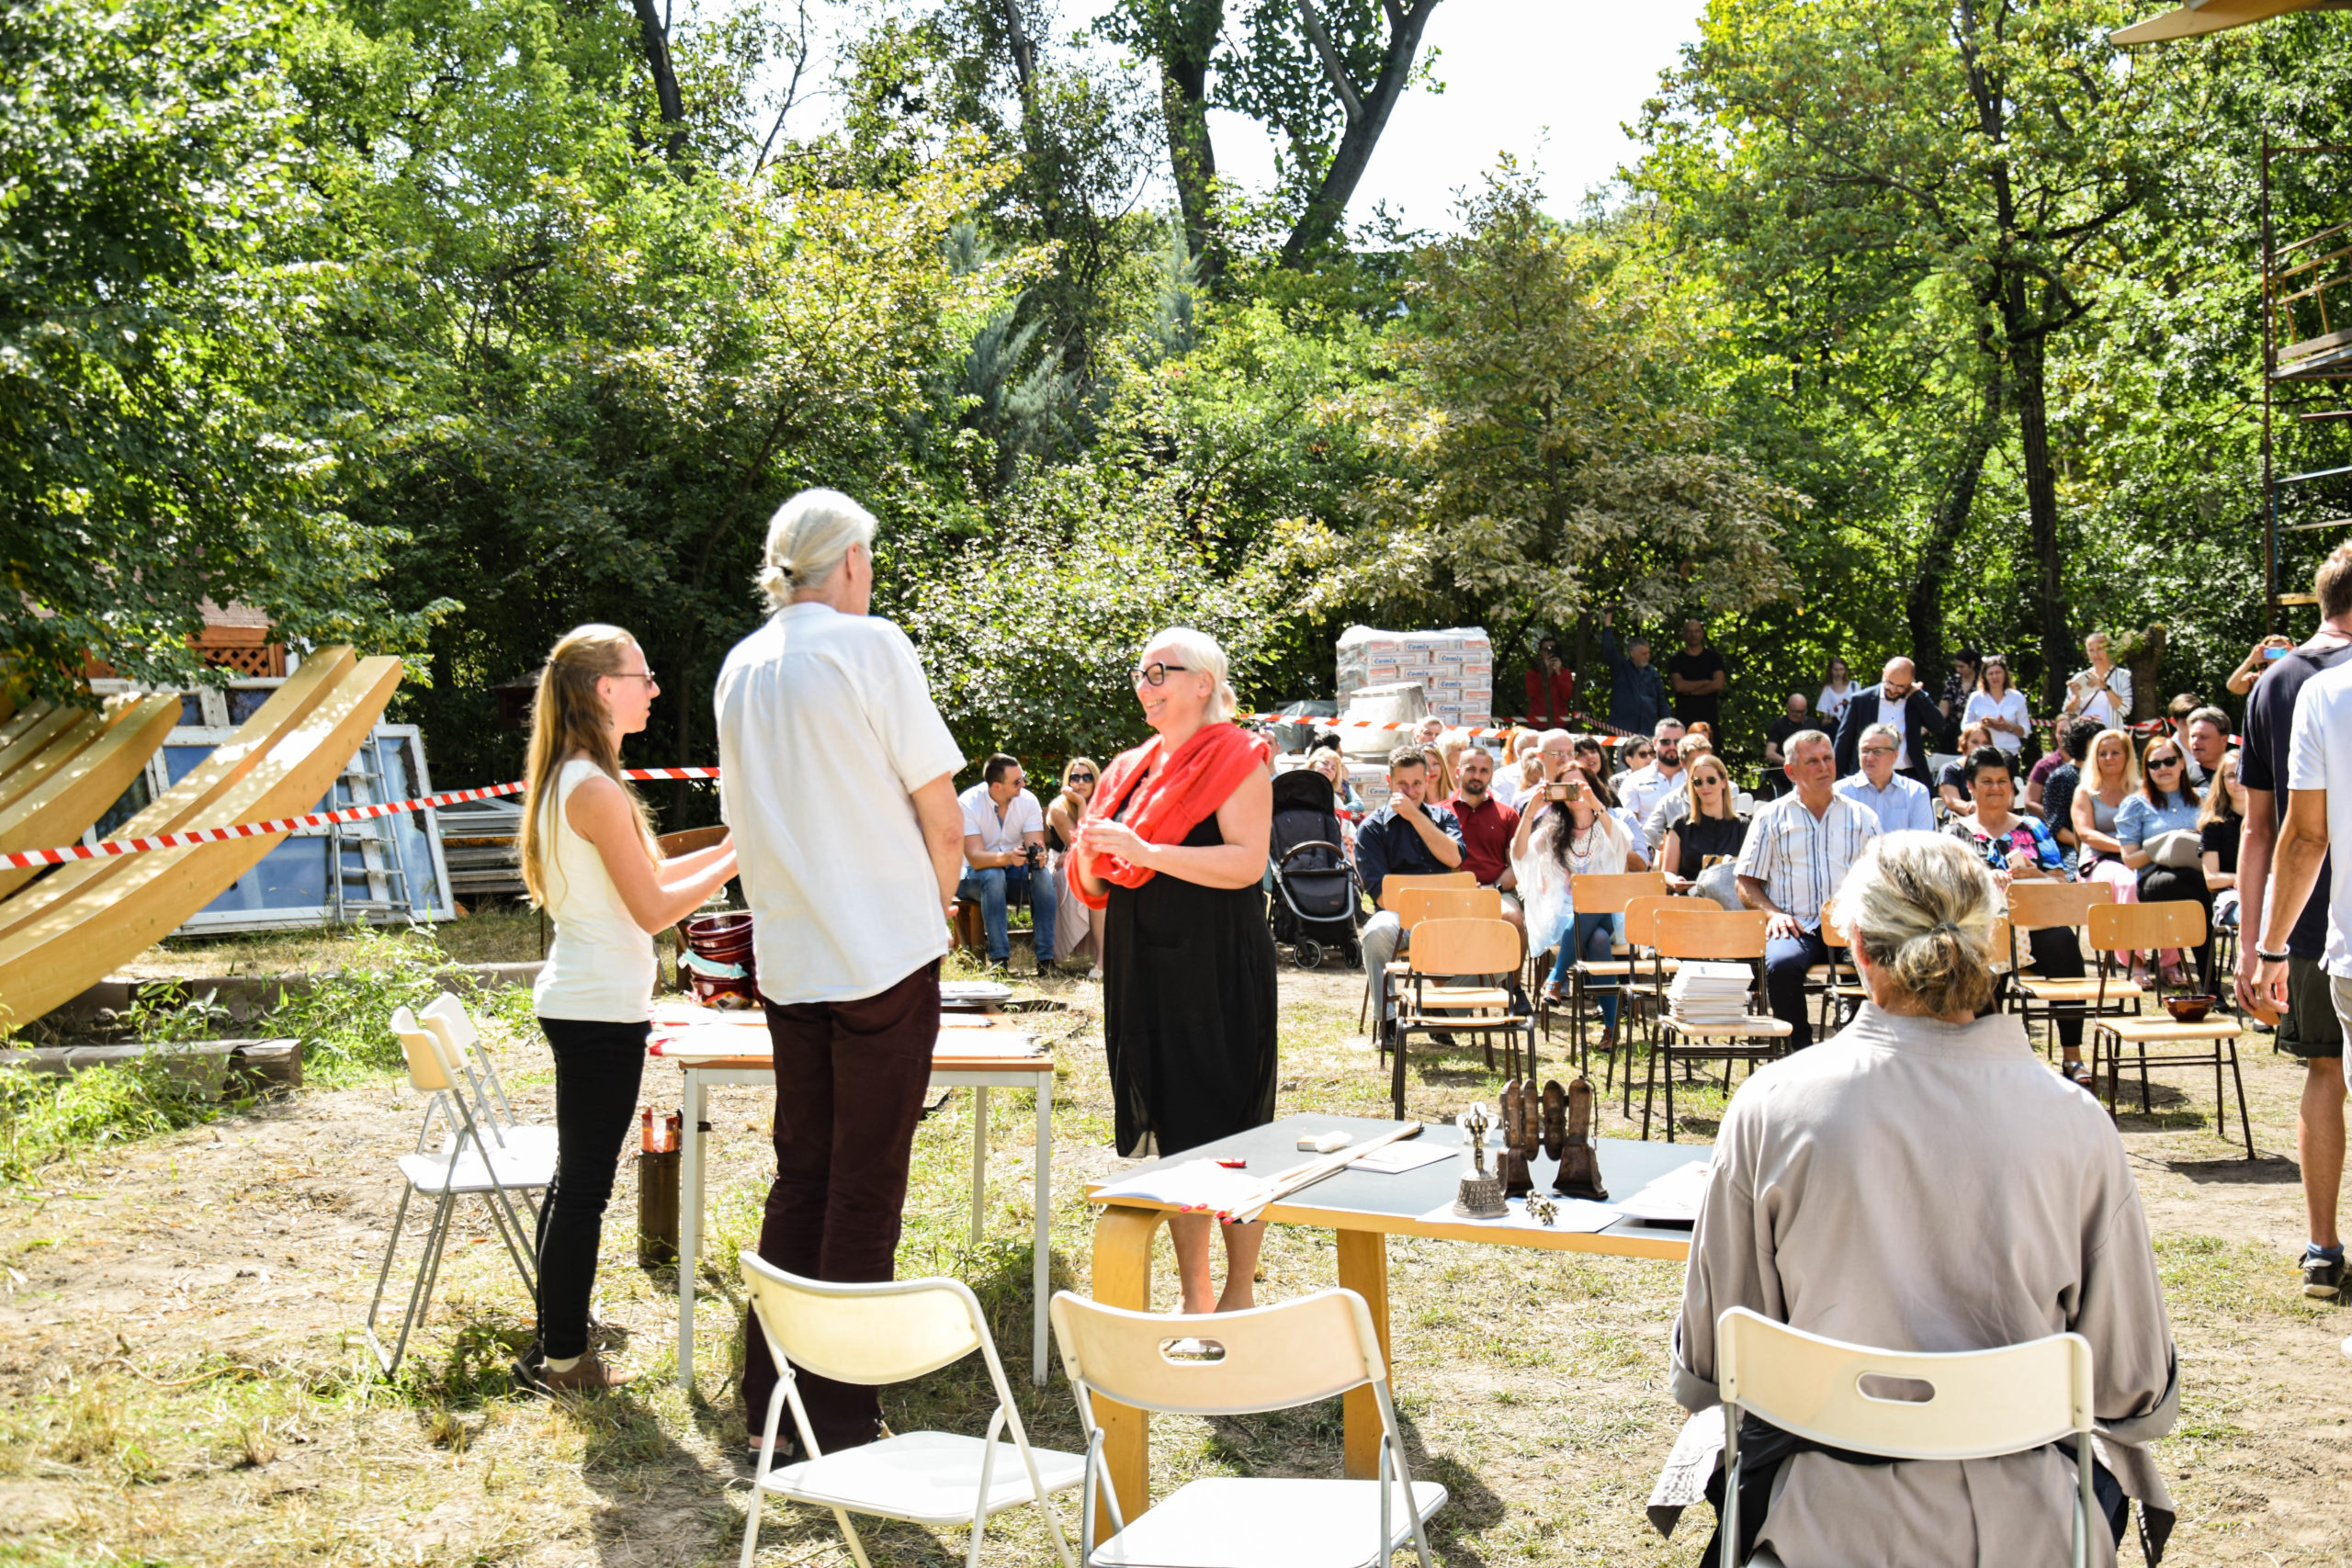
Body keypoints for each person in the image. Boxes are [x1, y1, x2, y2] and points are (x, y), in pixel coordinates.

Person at [1668, 832, 2177, 1567]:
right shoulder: (2076, 1122)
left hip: (1819, 1528)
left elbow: (1711, 1363)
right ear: (1986, 946)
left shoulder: (1772, 1107)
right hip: (2034, 1531)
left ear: (1859, 947)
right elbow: (2133, 1387)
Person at [718, 489, 969, 1458]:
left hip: (794, 956)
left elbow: (743, 819)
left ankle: (770, 1407)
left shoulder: (742, 663)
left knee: (804, 1178)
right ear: (853, 562)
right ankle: (838, 1421)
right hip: (879, 951)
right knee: (863, 1186)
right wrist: (935, 912)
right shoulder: (871, 645)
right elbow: (941, 816)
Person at [514, 626, 739, 1394]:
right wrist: (740, 856)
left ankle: (556, 1336)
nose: (653, 688)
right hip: (597, 1010)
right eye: (643, 676)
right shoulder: (594, 788)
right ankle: (564, 1361)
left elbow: (653, 875)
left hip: (588, 1001)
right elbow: (653, 908)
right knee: (584, 1188)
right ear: (605, 688)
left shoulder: (574, 778)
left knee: (573, 1182)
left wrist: (735, 846)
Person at [1072, 627, 1278, 1315]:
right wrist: (1093, 859)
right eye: (1140, 672)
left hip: (1215, 963)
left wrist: (1145, 852)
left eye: (1161, 671)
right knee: (1177, 1134)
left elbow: (1246, 863)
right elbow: (1096, 878)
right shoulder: (1128, 767)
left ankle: (1239, 1293)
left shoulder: (1239, 754)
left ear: (1204, 682)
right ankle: (1195, 1297)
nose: (1146, 684)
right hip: (1145, 964)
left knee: (1233, 1133)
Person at [2236, 547, 2352, 1302]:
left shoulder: (2279, 682)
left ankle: (2322, 1246)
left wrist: (2257, 943)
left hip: (2308, 915)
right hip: (2322, 913)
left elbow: (2261, 828)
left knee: (2324, 1071)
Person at [1945, 747, 2091, 1086]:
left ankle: (2072, 1057)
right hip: (1982, 928)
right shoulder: (1954, 834)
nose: (1996, 788)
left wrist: (2035, 874)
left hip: (2036, 923)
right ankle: (1986, 1061)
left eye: (2003, 781)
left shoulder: (2033, 827)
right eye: (1986, 781)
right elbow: (1946, 886)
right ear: (1971, 786)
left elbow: (2061, 881)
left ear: (2012, 786)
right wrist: (1984, 878)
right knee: (1980, 955)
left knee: (2064, 942)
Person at [1736, 730, 1882, 1048]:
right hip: (1795, 924)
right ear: (1791, 771)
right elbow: (1746, 881)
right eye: (1812, 761)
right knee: (1781, 965)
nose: (1823, 766)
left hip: (1849, 924)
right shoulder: (1770, 817)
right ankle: (1798, 1052)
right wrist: (1772, 914)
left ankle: (1861, 1048)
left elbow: (1881, 879)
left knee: (1883, 960)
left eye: (1827, 758)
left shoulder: (1862, 817)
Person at [1514, 759, 1636, 1051]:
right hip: (1565, 915)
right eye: (1565, 786)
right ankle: (1611, 1029)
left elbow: (1623, 846)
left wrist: (1594, 803)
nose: (1573, 792)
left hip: (1608, 910)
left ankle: (1556, 976)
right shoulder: (1552, 830)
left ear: (1591, 786)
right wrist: (1531, 811)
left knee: (1593, 900)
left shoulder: (1608, 824)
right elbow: (1519, 854)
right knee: (1597, 939)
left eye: (1577, 784)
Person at [1354, 745, 1468, 1030]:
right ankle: (1389, 1021)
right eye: (1402, 784)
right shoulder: (1371, 829)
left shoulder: (1445, 819)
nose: (1410, 792)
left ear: (1427, 780)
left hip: (1445, 917)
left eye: (1417, 783)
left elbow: (1454, 858)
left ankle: (1440, 1009)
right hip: (1399, 918)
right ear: (1389, 782)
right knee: (1376, 932)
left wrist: (1416, 817)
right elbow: (1383, 897)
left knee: (1502, 931)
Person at [2118, 735, 2211, 993]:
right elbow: (2130, 859)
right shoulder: (2135, 804)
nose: (2163, 768)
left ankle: (2209, 983)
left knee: (2200, 888)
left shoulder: (2204, 798)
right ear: (2146, 769)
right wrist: (2167, 843)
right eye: (2154, 764)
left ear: (2182, 763)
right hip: (2155, 879)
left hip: (2199, 873)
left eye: (2169, 761)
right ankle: (2209, 983)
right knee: (2196, 887)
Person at [956, 754, 1056, 971]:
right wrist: (1008, 857)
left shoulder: (1027, 801)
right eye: (1017, 781)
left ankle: (1046, 961)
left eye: (1023, 778)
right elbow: (976, 859)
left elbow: (1035, 845)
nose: (1024, 784)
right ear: (997, 786)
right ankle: (999, 961)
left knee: (1043, 876)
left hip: (1011, 873)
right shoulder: (968, 803)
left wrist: (1039, 856)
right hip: (972, 876)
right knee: (993, 875)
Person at [2075, 728, 2145, 977]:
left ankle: (2170, 963)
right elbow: (2086, 833)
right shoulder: (2085, 791)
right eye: (2102, 753)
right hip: (2099, 861)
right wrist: (2125, 849)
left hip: (2138, 857)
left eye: (2115, 752)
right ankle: (2135, 961)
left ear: (2127, 756)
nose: (2109, 758)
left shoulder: (2141, 790)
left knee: (2163, 882)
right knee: (2129, 882)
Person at [1832, 657, 1944, 787]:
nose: (1893, 689)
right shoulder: (1862, 700)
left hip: (1908, 776)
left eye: (1900, 686)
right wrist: (1836, 782)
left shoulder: (1915, 700)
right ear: (1884, 673)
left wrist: (1918, 694)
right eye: (1890, 683)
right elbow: (1843, 744)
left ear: (1911, 683)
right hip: (1868, 778)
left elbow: (1938, 725)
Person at [1448, 747, 1523, 927]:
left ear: (1491, 775)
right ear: (1458, 772)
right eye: (1471, 769)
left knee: (1511, 917)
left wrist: (1493, 888)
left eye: (1484, 771)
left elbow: (1517, 866)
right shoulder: (1439, 812)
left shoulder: (1508, 815)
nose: (1477, 776)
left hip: (1497, 892)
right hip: (1449, 892)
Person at [1658, 752, 1749, 890]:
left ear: (1724, 782)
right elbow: (1667, 873)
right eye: (1698, 782)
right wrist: (1675, 881)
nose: (1705, 786)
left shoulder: (1743, 826)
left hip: (1732, 899)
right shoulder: (1680, 826)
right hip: (1692, 898)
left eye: (1711, 780)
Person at [1833, 722, 1934, 836]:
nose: (1870, 758)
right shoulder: (1841, 792)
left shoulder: (1916, 793)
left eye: (1877, 752)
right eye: (1865, 751)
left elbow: (1921, 841)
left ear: (1895, 755)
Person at [1047, 757, 1101, 972]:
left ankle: (1111, 956)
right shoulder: (1058, 807)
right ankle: (1103, 960)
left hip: (1091, 859)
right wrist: (1080, 804)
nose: (1081, 782)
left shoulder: (1105, 803)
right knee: (1097, 879)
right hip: (1062, 864)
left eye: (1087, 777)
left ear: (1095, 780)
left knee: (1104, 874)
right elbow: (1083, 844)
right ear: (1067, 781)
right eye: (1075, 777)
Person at [2038, 717, 2104, 874]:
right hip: (2071, 848)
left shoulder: (2106, 776)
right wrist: (2091, 844)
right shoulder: (2062, 777)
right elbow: (2057, 829)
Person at [1598, 609, 1669, 739]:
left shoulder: (1652, 672)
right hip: (1624, 728)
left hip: (1648, 728)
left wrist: (1669, 725)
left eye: (1648, 653)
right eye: (1643, 654)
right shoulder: (1621, 669)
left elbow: (1661, 700)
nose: (1647, 656)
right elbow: (1609, 649)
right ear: (1632, 653)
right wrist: (1608, 620)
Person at [1620, 718, 1688, 840]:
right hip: (1647, 847)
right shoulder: (1633, 781)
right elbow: (1629, 825)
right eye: (1665, 742)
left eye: (1677, 742)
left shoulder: (1695, 779)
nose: (1672, 746)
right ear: (1655, 743)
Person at [2199, 750, 2244, 933]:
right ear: (2222, 781)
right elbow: (2211, 879)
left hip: (2269, 894)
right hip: (2233, 900)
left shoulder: (2270, 820)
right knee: (2259, 914)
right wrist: (2243, 880)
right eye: (2232, 775)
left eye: (2243, 772)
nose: (2238, 780)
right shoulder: (2213, 825)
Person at [1667, 617, 1729, 734]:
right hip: (1685, 718)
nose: (1693, 635)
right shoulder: (1676, 660)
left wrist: (1690, 692)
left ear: (1702, 634)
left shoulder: (1714, 658)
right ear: (1684, 635)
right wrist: (1706, 683)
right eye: (1690, 631)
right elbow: (1679, 686)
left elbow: (1718, 684)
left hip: (1709, 717)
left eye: (1697, 631)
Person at [1962, 653, 2031, 755]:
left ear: (2005, 674)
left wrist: (2007, 726)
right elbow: (1965, 726)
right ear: (1984, 677)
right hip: (1981, 753)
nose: (1995, 677)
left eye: (1998, 673)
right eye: (1991, 674)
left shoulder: (2017, 697)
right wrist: (1981, 726)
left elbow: (2026, 730)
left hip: (2009, 753)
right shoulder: (1975, 697)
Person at [2063, 631, 2133, 730]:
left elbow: (2125, 710)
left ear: (2109, 649)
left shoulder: (2123, 676)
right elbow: (2067, 714)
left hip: (2110, 734)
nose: (2096, 654)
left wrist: (2105, 687)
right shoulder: (2079, 677)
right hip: (2084, 735)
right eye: (2091, 650)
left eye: (2100, 649)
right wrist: (2076, 698)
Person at [1936, 721, 1996, 818]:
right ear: (1965, 743)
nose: (1980, 747)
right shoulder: (1949, 770)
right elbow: (1952, 802)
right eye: (1975, 742)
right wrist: (1975, 810)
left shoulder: (1995, 770)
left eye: (1985, 743)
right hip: (1959, 820)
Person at [1761, 692, 1810, 798]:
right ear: (1788, 708)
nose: (1799, 715)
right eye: (1796, 712)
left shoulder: (1811, 724)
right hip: (1784, 771)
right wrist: (1790, 763)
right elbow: (1770, 753)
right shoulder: (1778, 726)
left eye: (1802, 712)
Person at [1523, 634, 1576, 729]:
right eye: (1546, 649)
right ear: (1540, 652)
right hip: (1537, 724)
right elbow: (1532, 693)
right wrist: (1546, 673)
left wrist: (1558, 673)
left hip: (1560, 724)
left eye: (1552, 649)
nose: (1549, 651)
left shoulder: (1565, 673)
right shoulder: (1532, 673)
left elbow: (1567, 695)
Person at [2227, 634, 2294, 698]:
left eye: (2282, 651)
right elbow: (2232, 686)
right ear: (2264, 654)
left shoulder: (2295, 676)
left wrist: (2295, 657)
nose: (2276, 656)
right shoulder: (2256, 679)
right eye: (2271, 652)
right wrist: (2250, 660)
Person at [2184, 705, 2231, 792]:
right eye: (2193, 736)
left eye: (2203, 737)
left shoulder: (2242, 775)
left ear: (2224, 740)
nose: (2195, 742)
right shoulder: (2183, 780)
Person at [1938, 646, 1982, 725]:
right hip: (1952, 728)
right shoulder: (1952, 681)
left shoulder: (1982, 682)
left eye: (1961, 666)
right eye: (1956, 666)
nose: (1958, 670)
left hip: (1975, 727)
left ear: (1972, 664)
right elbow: (1943, 710)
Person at [1816, 655, 1860, 733]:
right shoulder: (1827, 689)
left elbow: (1860, 707)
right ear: (1831, 670)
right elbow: (1823, 711)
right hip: (1834, 727)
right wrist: (1832, 717)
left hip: (1852, 726)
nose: (1839, 673)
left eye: (1841, 669)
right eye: (1836, 670)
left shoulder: (1854, 686)